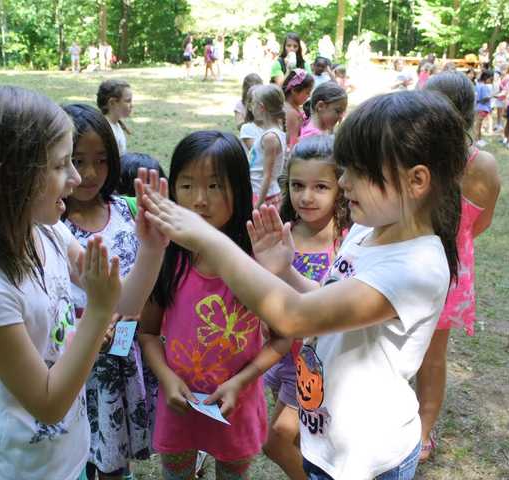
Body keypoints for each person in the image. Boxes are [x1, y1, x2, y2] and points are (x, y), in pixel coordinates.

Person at [138, 90, 468, 480]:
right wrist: (286, 272)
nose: (343, 182)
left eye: (357, 172)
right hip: (327, 437)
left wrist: (209, 240)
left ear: (416, 180)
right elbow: (328, 302)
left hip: (367, 456)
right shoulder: (366, 233)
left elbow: (295, 319)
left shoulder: (415, 266)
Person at [0, 85, 127, 479]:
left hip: (70, 452)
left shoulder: (44, 232)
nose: (76, 179)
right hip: (21, 468)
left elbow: (122, 298)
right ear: (7, 181)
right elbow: (47, 403)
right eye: (61, 165)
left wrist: (156, 248)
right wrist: (96, 312)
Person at [138, 131, 291, 480]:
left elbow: (282, 338)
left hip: (236, 405)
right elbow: (147, 333)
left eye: (215, 186)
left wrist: (242, 381)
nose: (199, 200)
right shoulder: (166, 258)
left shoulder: (255, 262)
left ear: (238, 189)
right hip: (179, 403)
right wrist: (166, 378)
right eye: (187, 185)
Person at [60, 104, 165, 480]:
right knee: (85, 448)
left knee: (117, 449)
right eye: (76, 160)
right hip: (78, 363)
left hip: (126, 355)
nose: (89, 174)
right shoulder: (51, 227)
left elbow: (146, 279)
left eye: (101, 160)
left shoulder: (125, 210)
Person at [419, 71, 501, 462]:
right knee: (433, 356)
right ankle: (422, 434)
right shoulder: (483, 164)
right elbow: (480, 224)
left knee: (393, 347)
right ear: (471, 113)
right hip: (452, 270)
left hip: (406, 262)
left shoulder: (413, 155)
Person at [262, 135, 350, 480]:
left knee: (276, 439)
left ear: (340, 188)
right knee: (300, 439)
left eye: (320, 187)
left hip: (318, 362)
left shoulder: (347, 239)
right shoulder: (283, 230)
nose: (306, 196)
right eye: (298, 185)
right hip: (279, 354)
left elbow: (334, 305)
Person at [248, 84, 287, 209]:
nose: (251, 108)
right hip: (260, 193)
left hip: (265, 197)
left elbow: (267, 175)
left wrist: (258, 204)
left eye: (253, 104)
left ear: (261, 107)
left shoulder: (270, 137)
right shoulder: (270, 132)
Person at [97, 79, 133, 156]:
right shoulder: (107, 131)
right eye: (128, 101)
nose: (132, 105)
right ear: (112, 103)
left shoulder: (115, 124)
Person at [282, 69, 314, 149]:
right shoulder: (291, 113)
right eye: (307, 92)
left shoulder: (291, 107)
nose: (309, 95)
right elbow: (292, 142)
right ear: (294, 90)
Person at [474, 69, 494, 147]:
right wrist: (491, 96)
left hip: (478, 108)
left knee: (479, 124)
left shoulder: (478, 85)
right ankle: (476, 140)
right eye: (491, 79)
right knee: (478, 125)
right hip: (482, 108)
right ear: (487, 78)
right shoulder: (484, 86)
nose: (491, 81)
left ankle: (479, 139)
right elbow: (485, 98)